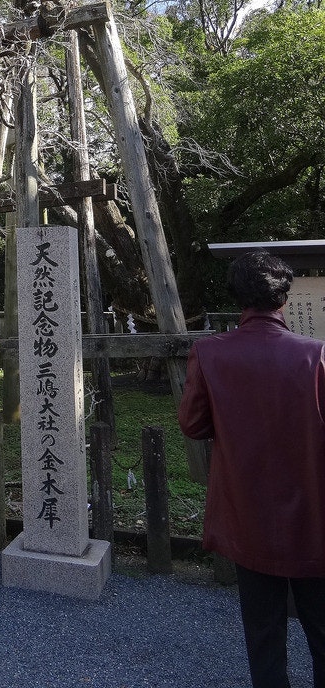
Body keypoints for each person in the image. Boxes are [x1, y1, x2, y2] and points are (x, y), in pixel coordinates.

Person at [178, 249, 325, 688]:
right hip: (315, 516)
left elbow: (193, 423)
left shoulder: (209, 353)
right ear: (284, 299)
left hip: (247, 514)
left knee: (263, 634)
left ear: (238, 298)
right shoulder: (317, 356)